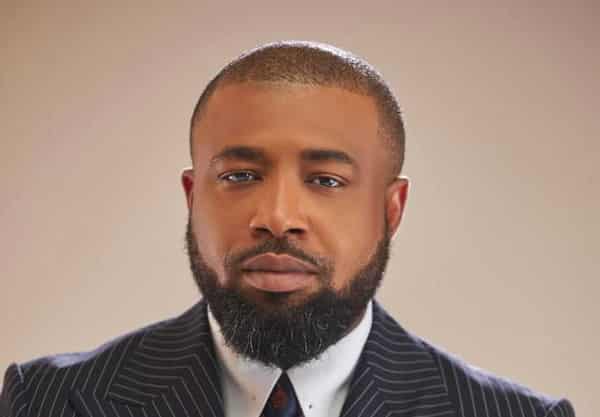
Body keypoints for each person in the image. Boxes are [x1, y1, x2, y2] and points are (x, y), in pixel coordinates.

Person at [0, 41, 575, 417]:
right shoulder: (48, 401)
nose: (277, 217)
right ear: (193, 198)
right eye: (240, 175)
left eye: (325, 180)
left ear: (391, 209)